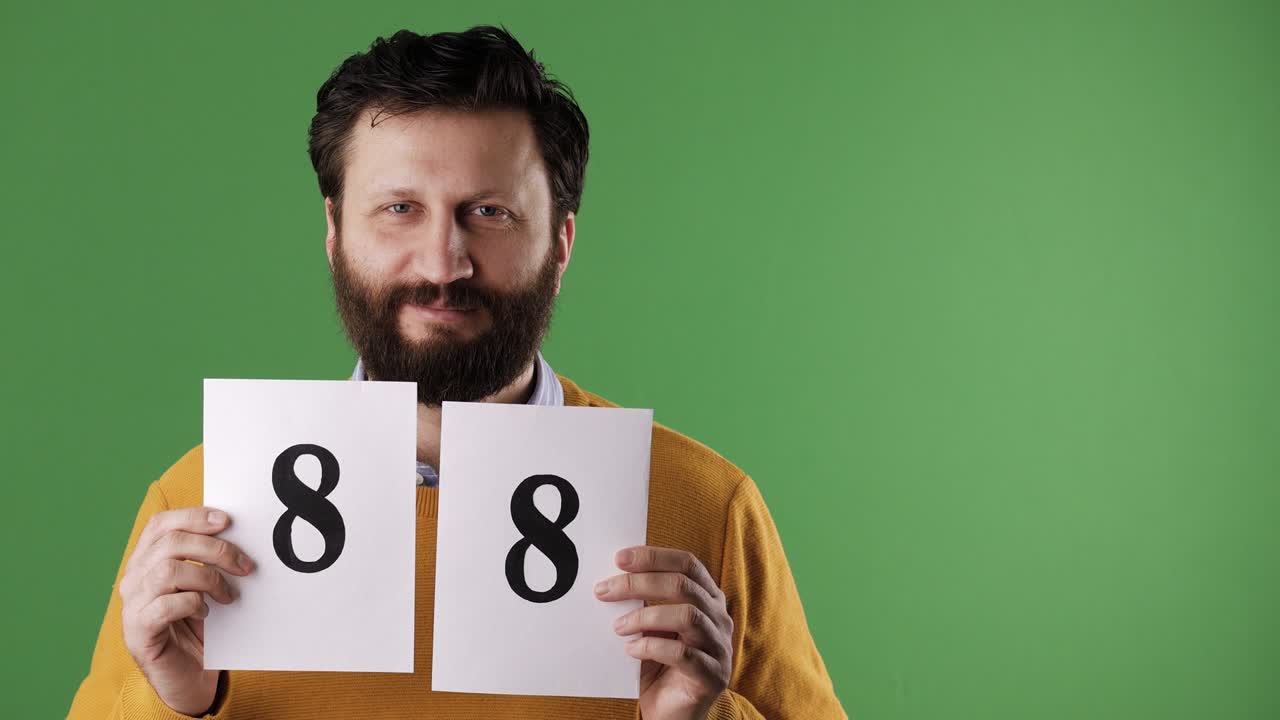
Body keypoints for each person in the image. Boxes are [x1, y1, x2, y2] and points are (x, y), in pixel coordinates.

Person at [66, 24, 847, 720]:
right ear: (335, 233)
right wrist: (173, 701)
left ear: (562, 242)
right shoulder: (200, 507)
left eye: (490, 212)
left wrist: (695, 719)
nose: (444, 263)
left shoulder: (705, 507)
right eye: (400, 209)